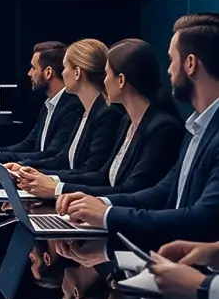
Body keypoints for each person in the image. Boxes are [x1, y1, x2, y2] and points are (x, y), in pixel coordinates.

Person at [60, 14, 219, 243]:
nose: (169, 71)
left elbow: (201, 218)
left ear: (191, 64)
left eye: (172, 60)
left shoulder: (181, 129)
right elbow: (164, 190)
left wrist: (106, 214)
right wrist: (100, 204)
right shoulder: (197, 127)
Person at [19, 39, 184, 199]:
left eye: (106, 74)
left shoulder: (162, 128)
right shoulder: (127, 121)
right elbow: (102, 176)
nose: (103, 81)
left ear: (121, 80)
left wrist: (57, 188)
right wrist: (48, 179)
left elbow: (133, 189)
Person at [6, 39, 121, 176]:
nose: (63, 73)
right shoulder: (85, 111)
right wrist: (23, 168)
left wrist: (52, 183)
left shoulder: (105, 114)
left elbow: (92, 171)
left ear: (77, 73)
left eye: (65, 67)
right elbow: (63, 158)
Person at [0, 41, 82, 164]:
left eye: (33, 68)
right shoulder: (49, 104)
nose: (29, 73)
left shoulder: (72, 106)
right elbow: (29, 145)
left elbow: (52, 154)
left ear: (48, 72)